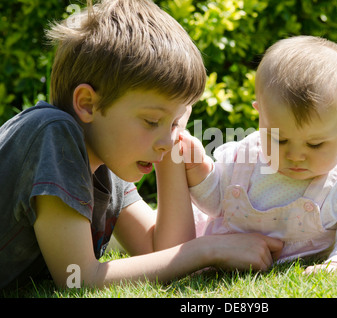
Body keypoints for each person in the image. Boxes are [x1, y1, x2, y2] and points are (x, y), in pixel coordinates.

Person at [0, 0, 283, 290]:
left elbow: (160, 251)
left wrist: (172, 145)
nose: (167, 141)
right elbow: (78, 277)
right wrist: (210, 249)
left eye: (175, 123)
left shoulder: (107, 158)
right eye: (151, 121)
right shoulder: (52, 133)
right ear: (87, 104)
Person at [181, 36, 337, 274]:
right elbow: (216, 202)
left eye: (315, 144)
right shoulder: (246, 157)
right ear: (261, 116)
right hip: (213, 249)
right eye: (280, 139)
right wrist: (199, 171)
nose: (296, 155)